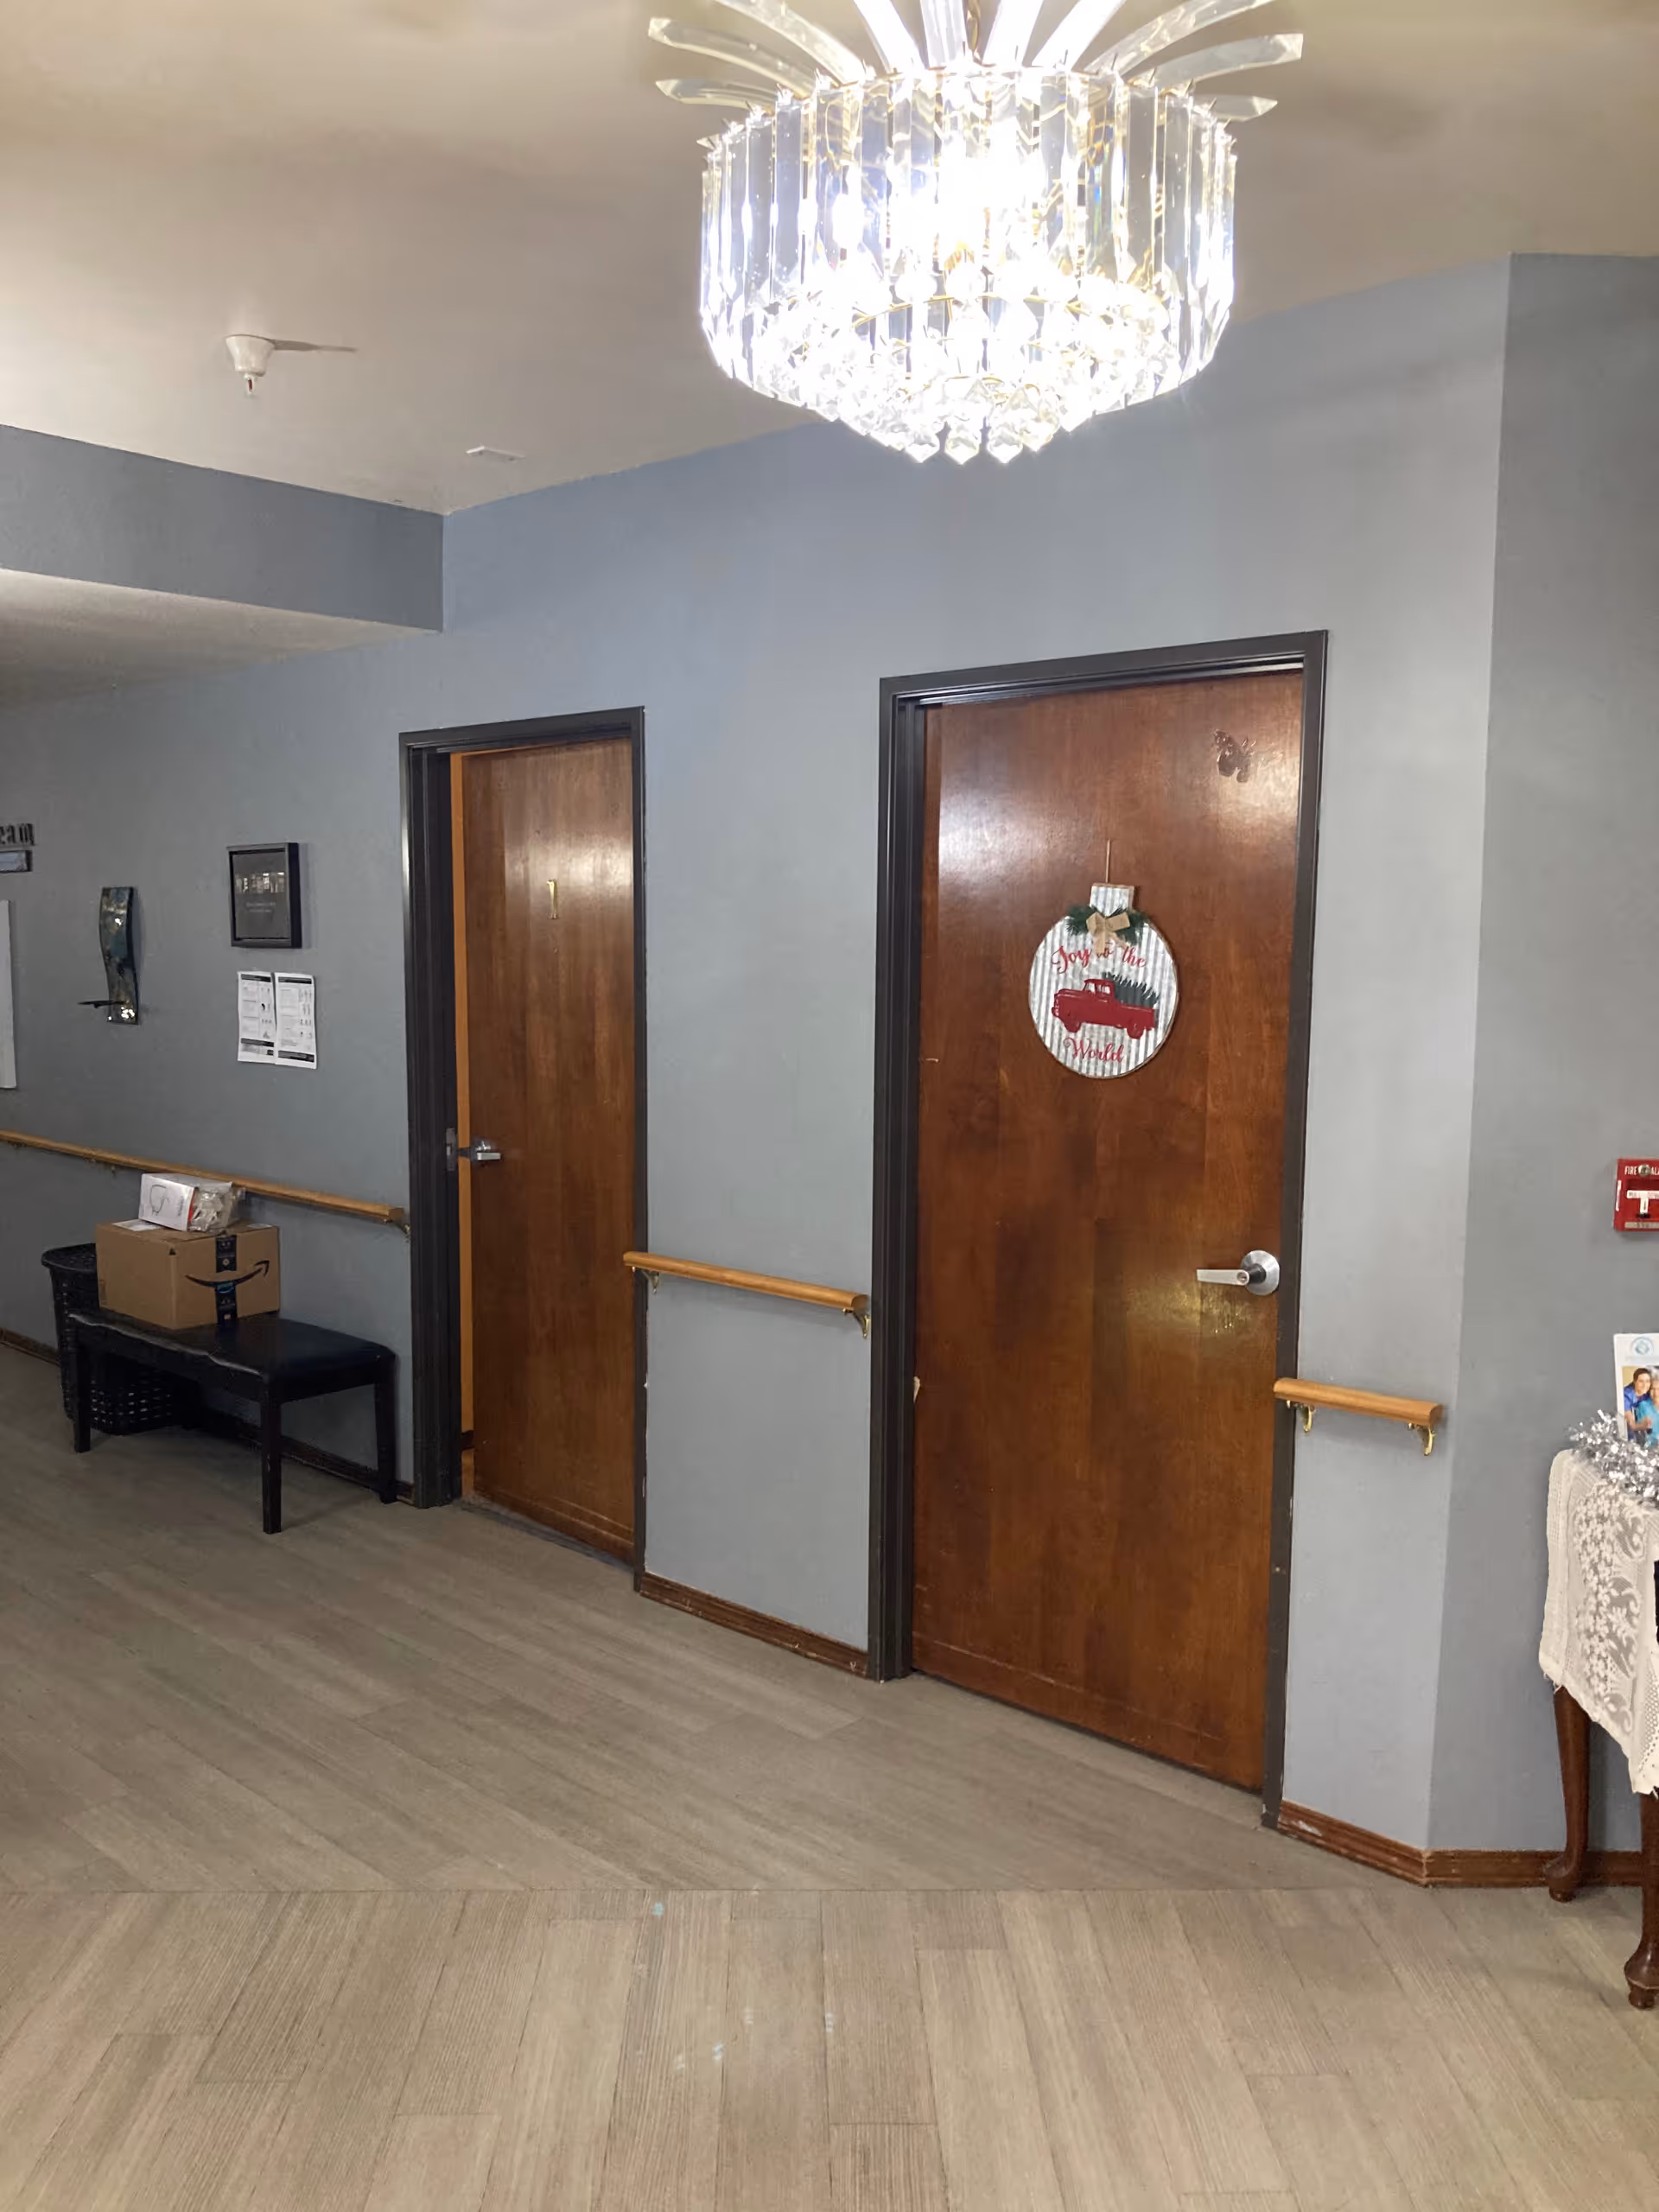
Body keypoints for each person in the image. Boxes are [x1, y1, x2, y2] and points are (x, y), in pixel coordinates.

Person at [1624, 1368, 1657, 1446]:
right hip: (1629, 1438)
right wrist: (1642, 1426)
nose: (1645, 1385)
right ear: (1634, 1381)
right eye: (1641, 1381)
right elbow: (1632, 1424)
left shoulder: (1647, 1393)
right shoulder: (1626, 1395)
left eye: (1647, 1381)